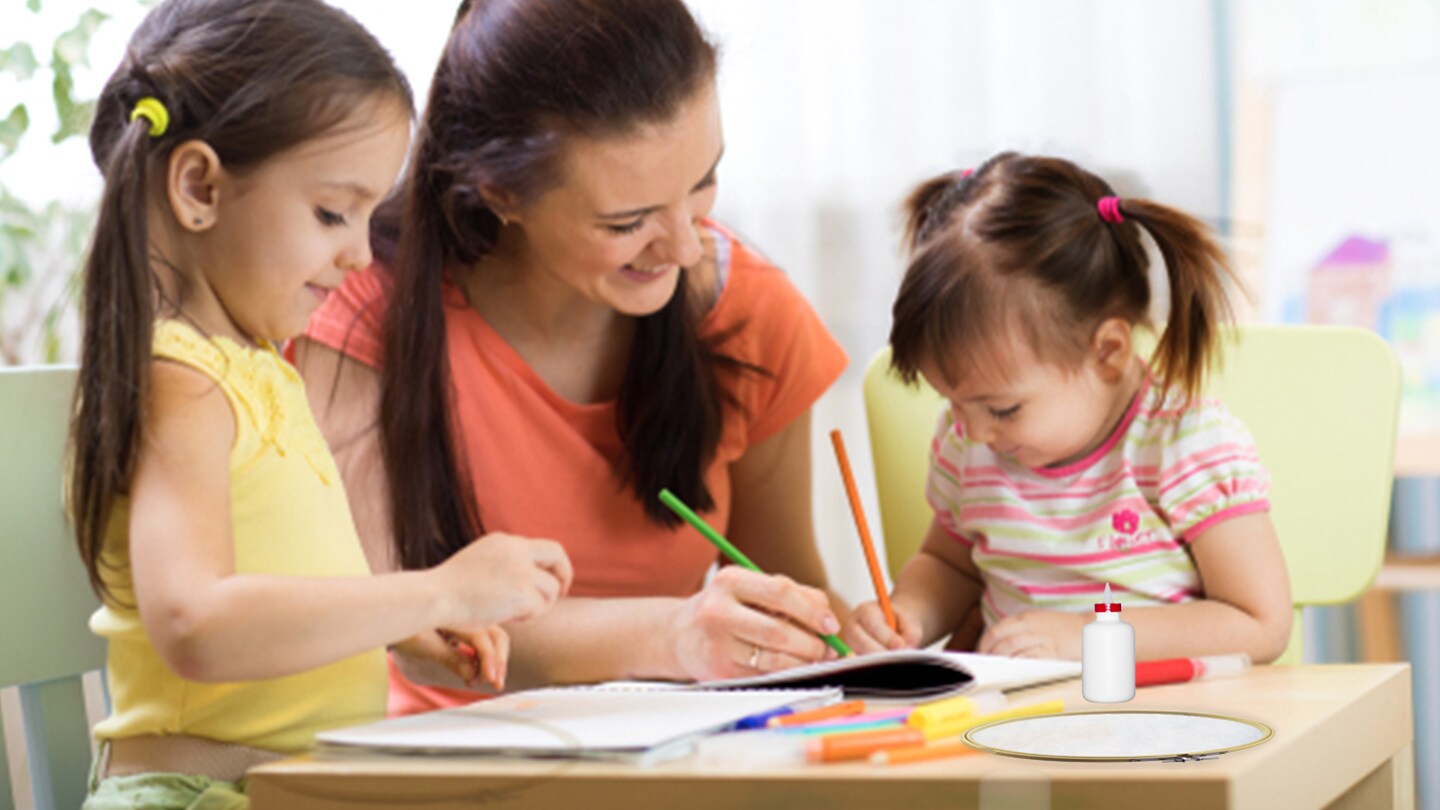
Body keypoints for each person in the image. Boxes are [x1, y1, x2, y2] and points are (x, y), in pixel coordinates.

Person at [69, 1, 572, 805]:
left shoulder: (256, 365)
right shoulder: (180, 380)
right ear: (199, 186)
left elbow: (277, 573)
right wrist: (435, 589)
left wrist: (400, 626)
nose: (356, 250)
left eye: (370, 216)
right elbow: (197, 623)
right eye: (333, 212)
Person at [294, 0, 849, 716]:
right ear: (500, 191)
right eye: (628, 221)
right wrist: (674, 636)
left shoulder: (746, 308)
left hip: (689, 757)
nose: (685, 247)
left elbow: (787, 584)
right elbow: (397, 625)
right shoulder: (367, 305)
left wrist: (843, 633)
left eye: (702, 184)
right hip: (446, 766)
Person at [843, 152, 1292, 663]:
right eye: (952, 402)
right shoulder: (969, 446)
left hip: (1166, 721)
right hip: (1016, 722)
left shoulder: (1184, 446)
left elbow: (1259, 623)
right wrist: (908, 614)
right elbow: (950, 567)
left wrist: (1087, 637)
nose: (971, 431)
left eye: (1003, 409)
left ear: (1108, 352)